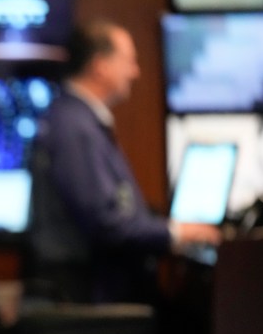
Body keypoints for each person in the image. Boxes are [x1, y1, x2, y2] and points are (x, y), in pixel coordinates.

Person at [26, 19, 222, 303]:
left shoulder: (76, 120)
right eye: (128, 61)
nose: (135, 72)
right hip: (87, 297)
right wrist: (177, 232)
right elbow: (107, 223)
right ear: (101, 66)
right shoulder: (76, 129)